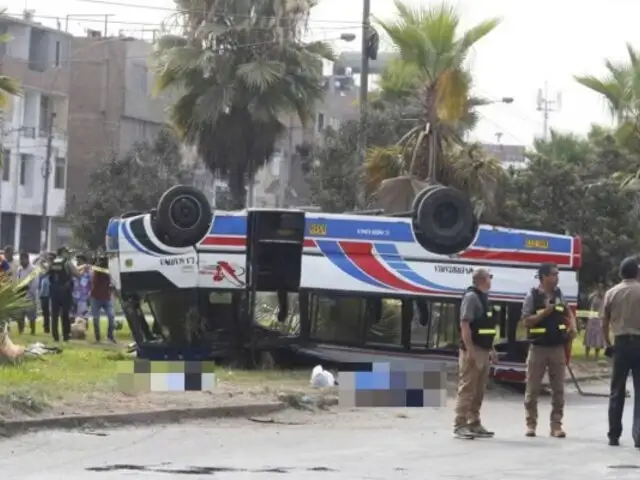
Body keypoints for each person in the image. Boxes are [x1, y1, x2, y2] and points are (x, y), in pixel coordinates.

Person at [521, 262, 577, 438]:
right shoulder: (532, 296)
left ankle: (556, 425)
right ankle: (531, 424)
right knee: (533, 389)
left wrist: (572, 326)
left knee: (558, 389)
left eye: (557, 274)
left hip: (557, 347)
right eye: (553, 274)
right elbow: (526, 321)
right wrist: (546, 312)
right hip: (538, 348)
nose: (556, 277)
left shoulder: (559, 295)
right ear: (544, 277)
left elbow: (569, 313)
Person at [453, 267, 498, 439]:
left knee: (479, 390)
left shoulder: (484, 298)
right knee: (468, 388)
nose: (491, 280)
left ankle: (474, 423)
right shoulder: (471, 297)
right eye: (489, 277)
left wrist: (492, 349)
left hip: (484, 350)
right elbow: (465, 325)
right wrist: (469, 350)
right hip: (473, 350)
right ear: (481, 279)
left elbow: (486, 328)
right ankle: (460, 424)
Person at [602, 257, 640, 447]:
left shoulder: (611, 293)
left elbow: (604, 322)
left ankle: (614, 434)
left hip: (620, 344)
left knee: (617, 390)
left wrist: (608, 343)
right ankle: (639, 435)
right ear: (637, 273)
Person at [48, 246, 82, 342]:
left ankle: (55, 336)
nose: (67, 254)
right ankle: (66, 336)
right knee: (65, 315)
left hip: (54, 293)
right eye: (66, 252)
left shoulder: (53, 262)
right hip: (65, 293)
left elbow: (47, 273)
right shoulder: (67, 263)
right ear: (62, 252)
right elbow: (77, 274)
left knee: (54, 316)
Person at [90, 254, 116, 343]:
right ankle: (97, 338)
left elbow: (113, 283)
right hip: (95, 297)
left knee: (111, 316)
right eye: (101, 261)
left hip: (106, 297)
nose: (102, 263)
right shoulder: (96, 271)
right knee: (96, 319)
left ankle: (110, 336)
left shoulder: (110, 271)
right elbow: (94, 282)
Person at [15, 252, 39, 335]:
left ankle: (32, 331)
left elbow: (35, 283)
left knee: (31, 315)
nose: (21, 261)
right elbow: (17, 281)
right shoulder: (19, 269)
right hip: (20, 295)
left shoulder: (33, 269)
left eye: (22, 259)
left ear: (27, 259)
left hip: (30, 295)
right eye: (20, 259)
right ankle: (20, 331)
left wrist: (29, 291)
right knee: (19, 315)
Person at [584, 283, 606, 359]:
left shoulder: (604, 297)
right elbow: (588, 299)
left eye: (601, 287)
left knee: (599, 336)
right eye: (598, 287)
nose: (600, 289)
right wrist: (595, 293)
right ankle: (587, 354)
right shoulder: (593, 296)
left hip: (600, 318)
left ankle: (596, 355)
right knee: (589, 335)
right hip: (592, 317)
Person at [72, 254, 92, 327]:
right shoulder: (74, 269)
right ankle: (72, 329)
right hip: (73, 294)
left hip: (83, 296)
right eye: (77, 260)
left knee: (84, 315)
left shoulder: (89, 270)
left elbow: (91, 281)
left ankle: (85, 330)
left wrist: (90, 293)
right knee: (72, 314)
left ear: (84, 261)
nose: (78, 262)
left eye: (79, 260)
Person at [38, 252, 55, 335]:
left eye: (51, 258)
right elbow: (41, 275)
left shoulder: (55, 267)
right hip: (43, 292)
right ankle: (46, 328)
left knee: (51, 312)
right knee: (45, 312)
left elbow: (47, 272)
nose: (49, 260)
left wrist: (43, 265)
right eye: (48, 258)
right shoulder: (44, 267)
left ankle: (52, 328)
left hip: (51, 293)